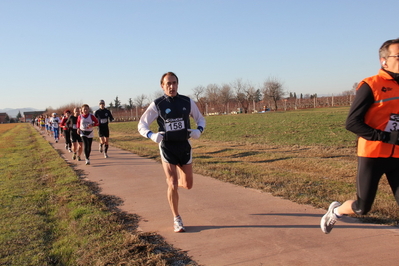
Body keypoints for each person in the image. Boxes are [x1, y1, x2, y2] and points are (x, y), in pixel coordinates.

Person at [321, 38, 399, 234]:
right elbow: (352, 123)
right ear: (384, 61)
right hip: (372, 154)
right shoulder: (371, 85)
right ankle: (336, 211)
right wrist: (385, 137)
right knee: (363, 207)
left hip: (397, 154)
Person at [138, 72, 206, 233]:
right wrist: (151, 135)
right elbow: (142, 125)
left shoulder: (187, 101)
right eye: (168, 83)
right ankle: (177, 218)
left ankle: (174, 185)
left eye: (174, 83)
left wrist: (199, 131)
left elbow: (201, 119)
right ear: (162, 86)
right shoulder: (157, 104)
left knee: (188, 185)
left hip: (184, 146)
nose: (171, 86)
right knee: (172, 183)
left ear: (178, 84)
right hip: (167, 147)